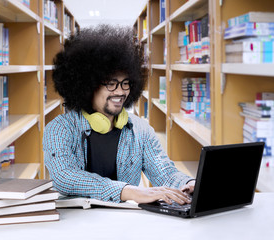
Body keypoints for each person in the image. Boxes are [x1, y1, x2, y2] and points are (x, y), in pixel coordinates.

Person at [43, 24, 195, 205]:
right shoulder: (60, 128)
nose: (121, 91)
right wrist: (127, 191)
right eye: (111, 83)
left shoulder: (140, 129)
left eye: (125, 83)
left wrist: (188, 183)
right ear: (87, 85)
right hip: (74, 223)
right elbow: (65, 176)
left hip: (124, 224)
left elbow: (163, 171)